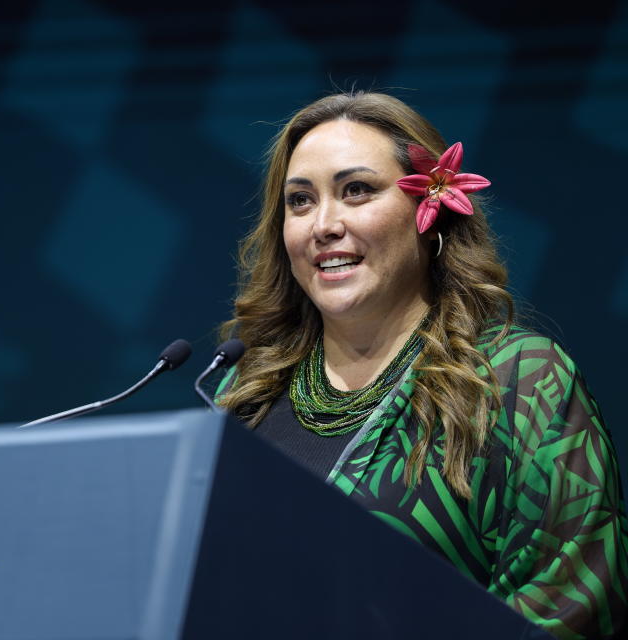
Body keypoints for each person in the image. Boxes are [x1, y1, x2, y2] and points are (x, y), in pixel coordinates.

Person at [216, 91, 628, 640]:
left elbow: (573, 604)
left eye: (356, 190)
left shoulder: (517, 379)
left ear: (430, 209)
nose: (324, 224)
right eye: (300, 201)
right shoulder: (247, 392)